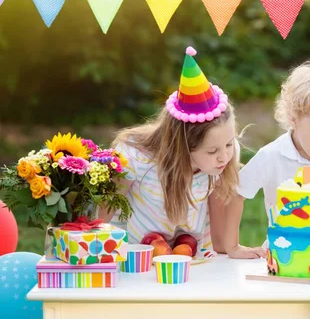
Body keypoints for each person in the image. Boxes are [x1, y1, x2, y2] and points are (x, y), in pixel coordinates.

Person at [100, 46, 265, 259]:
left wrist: (231, 248)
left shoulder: (220, 160)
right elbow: (104, 216)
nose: (224, 156)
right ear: (183, 146)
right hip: (137, 259)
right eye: (213, 150)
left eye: (229, 143)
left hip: (191, 260)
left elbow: (218, 235)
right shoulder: (136, 156)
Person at [224, 56, 310, 258]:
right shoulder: (271, 155)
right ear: (293, 118)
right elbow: (236, 194)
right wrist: (233, 247)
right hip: (284, 254)